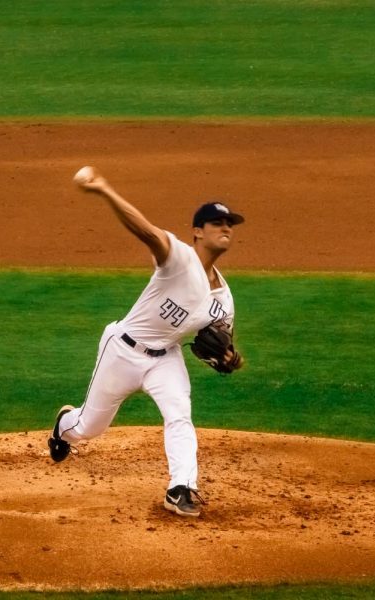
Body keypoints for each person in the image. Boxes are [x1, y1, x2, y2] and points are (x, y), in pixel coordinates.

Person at [48, 166, 245, 517]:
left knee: (180, 414)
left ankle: (181, 488)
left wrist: (230, 358)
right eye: (218, 223)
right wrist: (104, 188)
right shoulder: (178, 258)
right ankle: (64, 427)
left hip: (165, 358)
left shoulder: (224, 298)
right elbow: (145, 230)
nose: (226, 228)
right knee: (88, 427)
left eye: (230, 223)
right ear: (198, 232)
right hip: (122, 350)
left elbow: (222, 341)